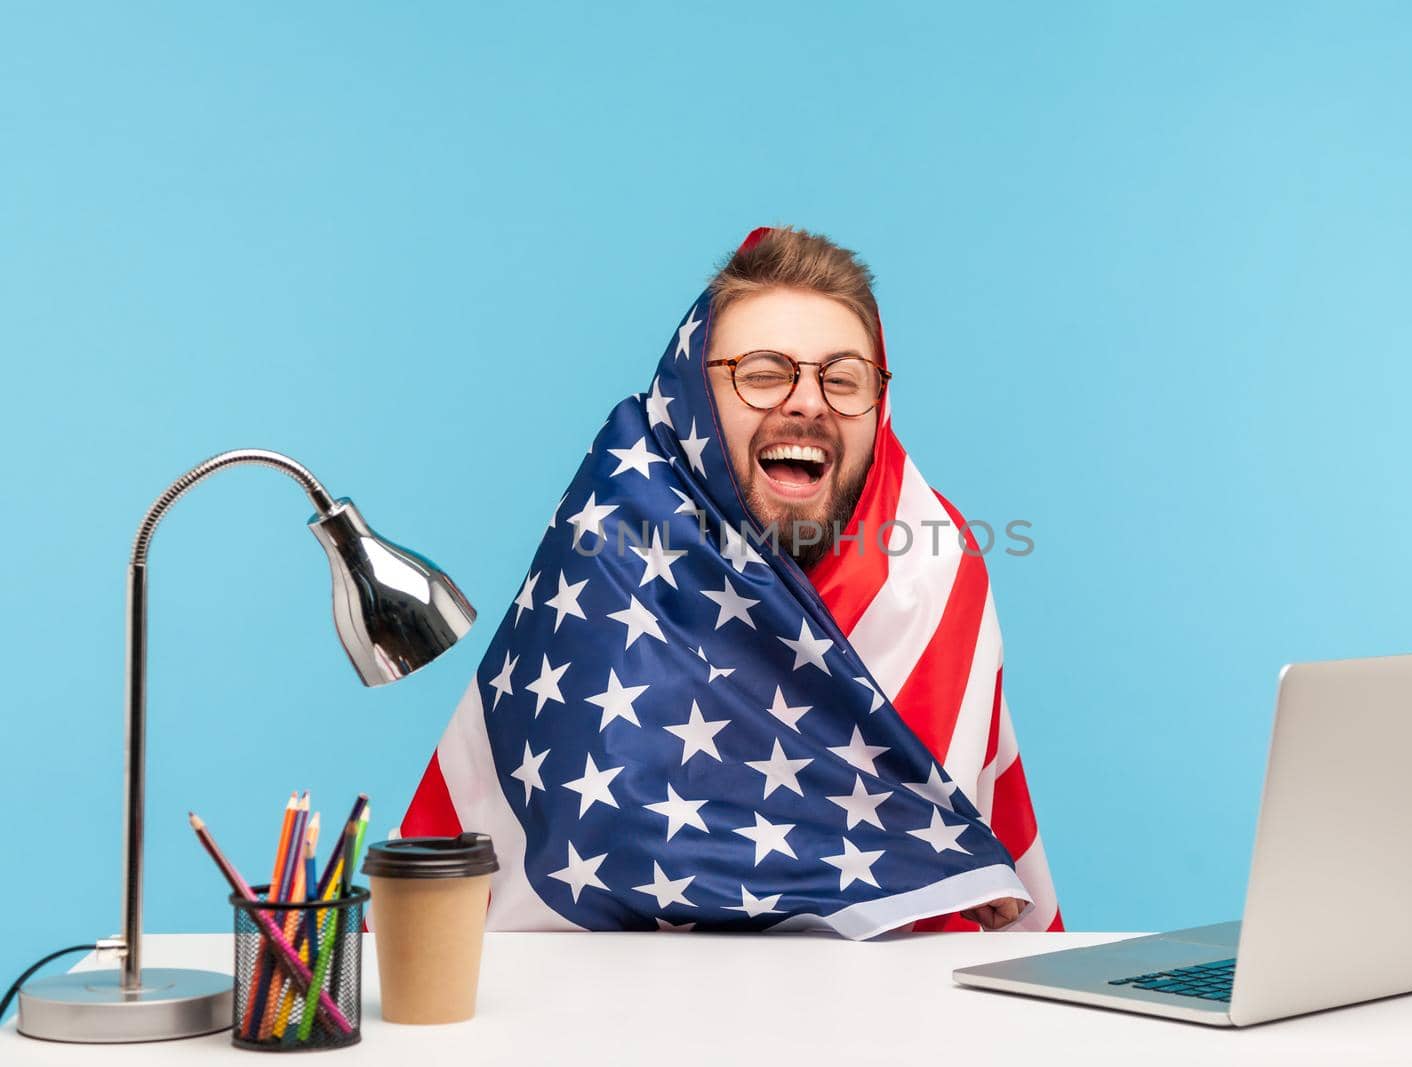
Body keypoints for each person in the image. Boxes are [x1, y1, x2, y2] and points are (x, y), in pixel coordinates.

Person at [401, 225, 1061, 936]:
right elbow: (608, 841)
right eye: (763, 372)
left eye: (842, 379)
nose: (808, 402)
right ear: (693, 400)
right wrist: (912, 857)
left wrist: (927, 858)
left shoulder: (927, 578)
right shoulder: (612, 555)